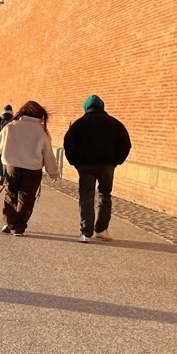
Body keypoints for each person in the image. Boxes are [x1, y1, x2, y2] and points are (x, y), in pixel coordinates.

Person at [0, 100, 60, 236]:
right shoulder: (42, 131)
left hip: (12, 166)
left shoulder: (11, 126)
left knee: (10, 193)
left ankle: (8, 222)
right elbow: (48, 153)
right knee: (27, 198)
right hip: (33, 168)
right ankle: (19, 227)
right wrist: (53, 171)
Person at [63, 95, 132, 243]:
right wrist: (116, 161)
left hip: (85, 165)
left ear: (86, 107)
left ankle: (86, 232)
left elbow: (68, 144)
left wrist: (75, 162)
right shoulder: (115, 124)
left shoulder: (79, 124)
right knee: (105, 195)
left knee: (86, 196)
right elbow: (126, 144)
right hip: (106, 165)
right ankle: (101, 229)